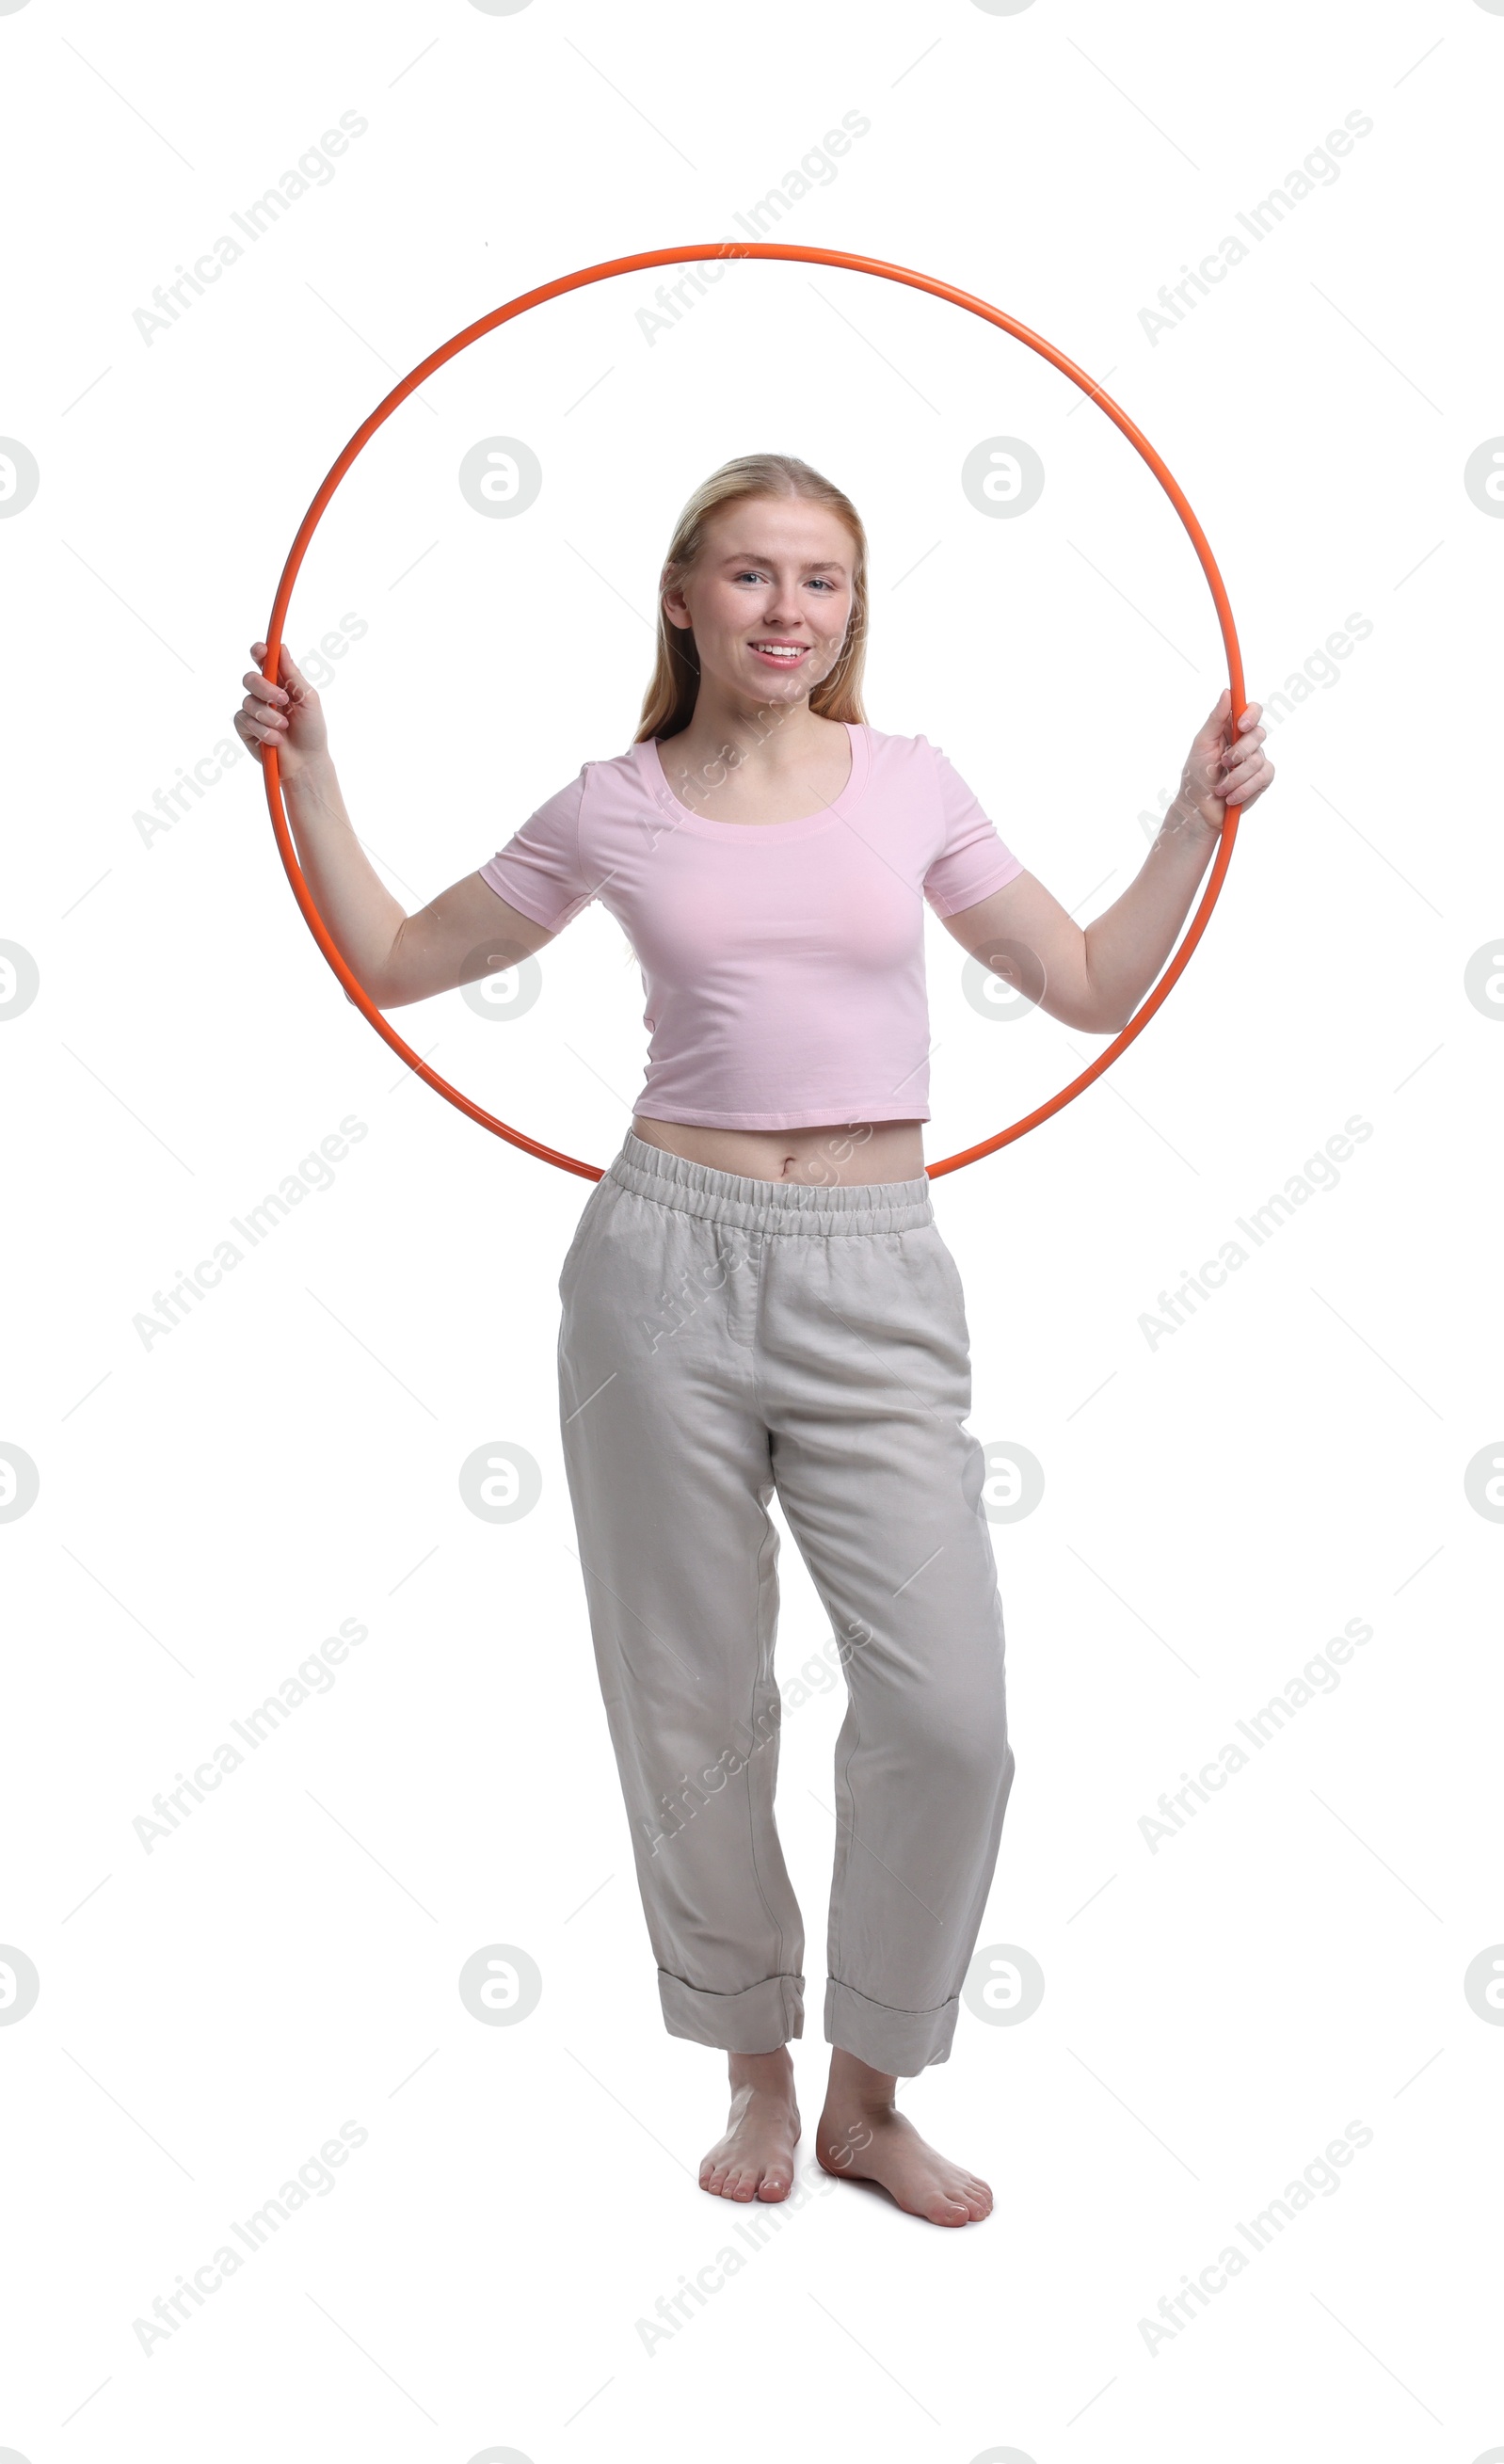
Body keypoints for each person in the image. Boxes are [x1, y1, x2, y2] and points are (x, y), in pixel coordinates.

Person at [234, 451, 1272, 2227]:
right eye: (751, 575)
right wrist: (313, 775)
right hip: (659, 1267)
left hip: (876, 1268)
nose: (789, 610)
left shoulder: (913, 781)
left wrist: (1196, 815)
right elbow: (403, 954)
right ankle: (755, 2068)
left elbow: (1090, 978)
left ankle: (872, 2091)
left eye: (824, 581)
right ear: (682, 594)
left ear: (856, 610)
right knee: (693, 1702)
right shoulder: (615, 802)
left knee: (951, 1714)